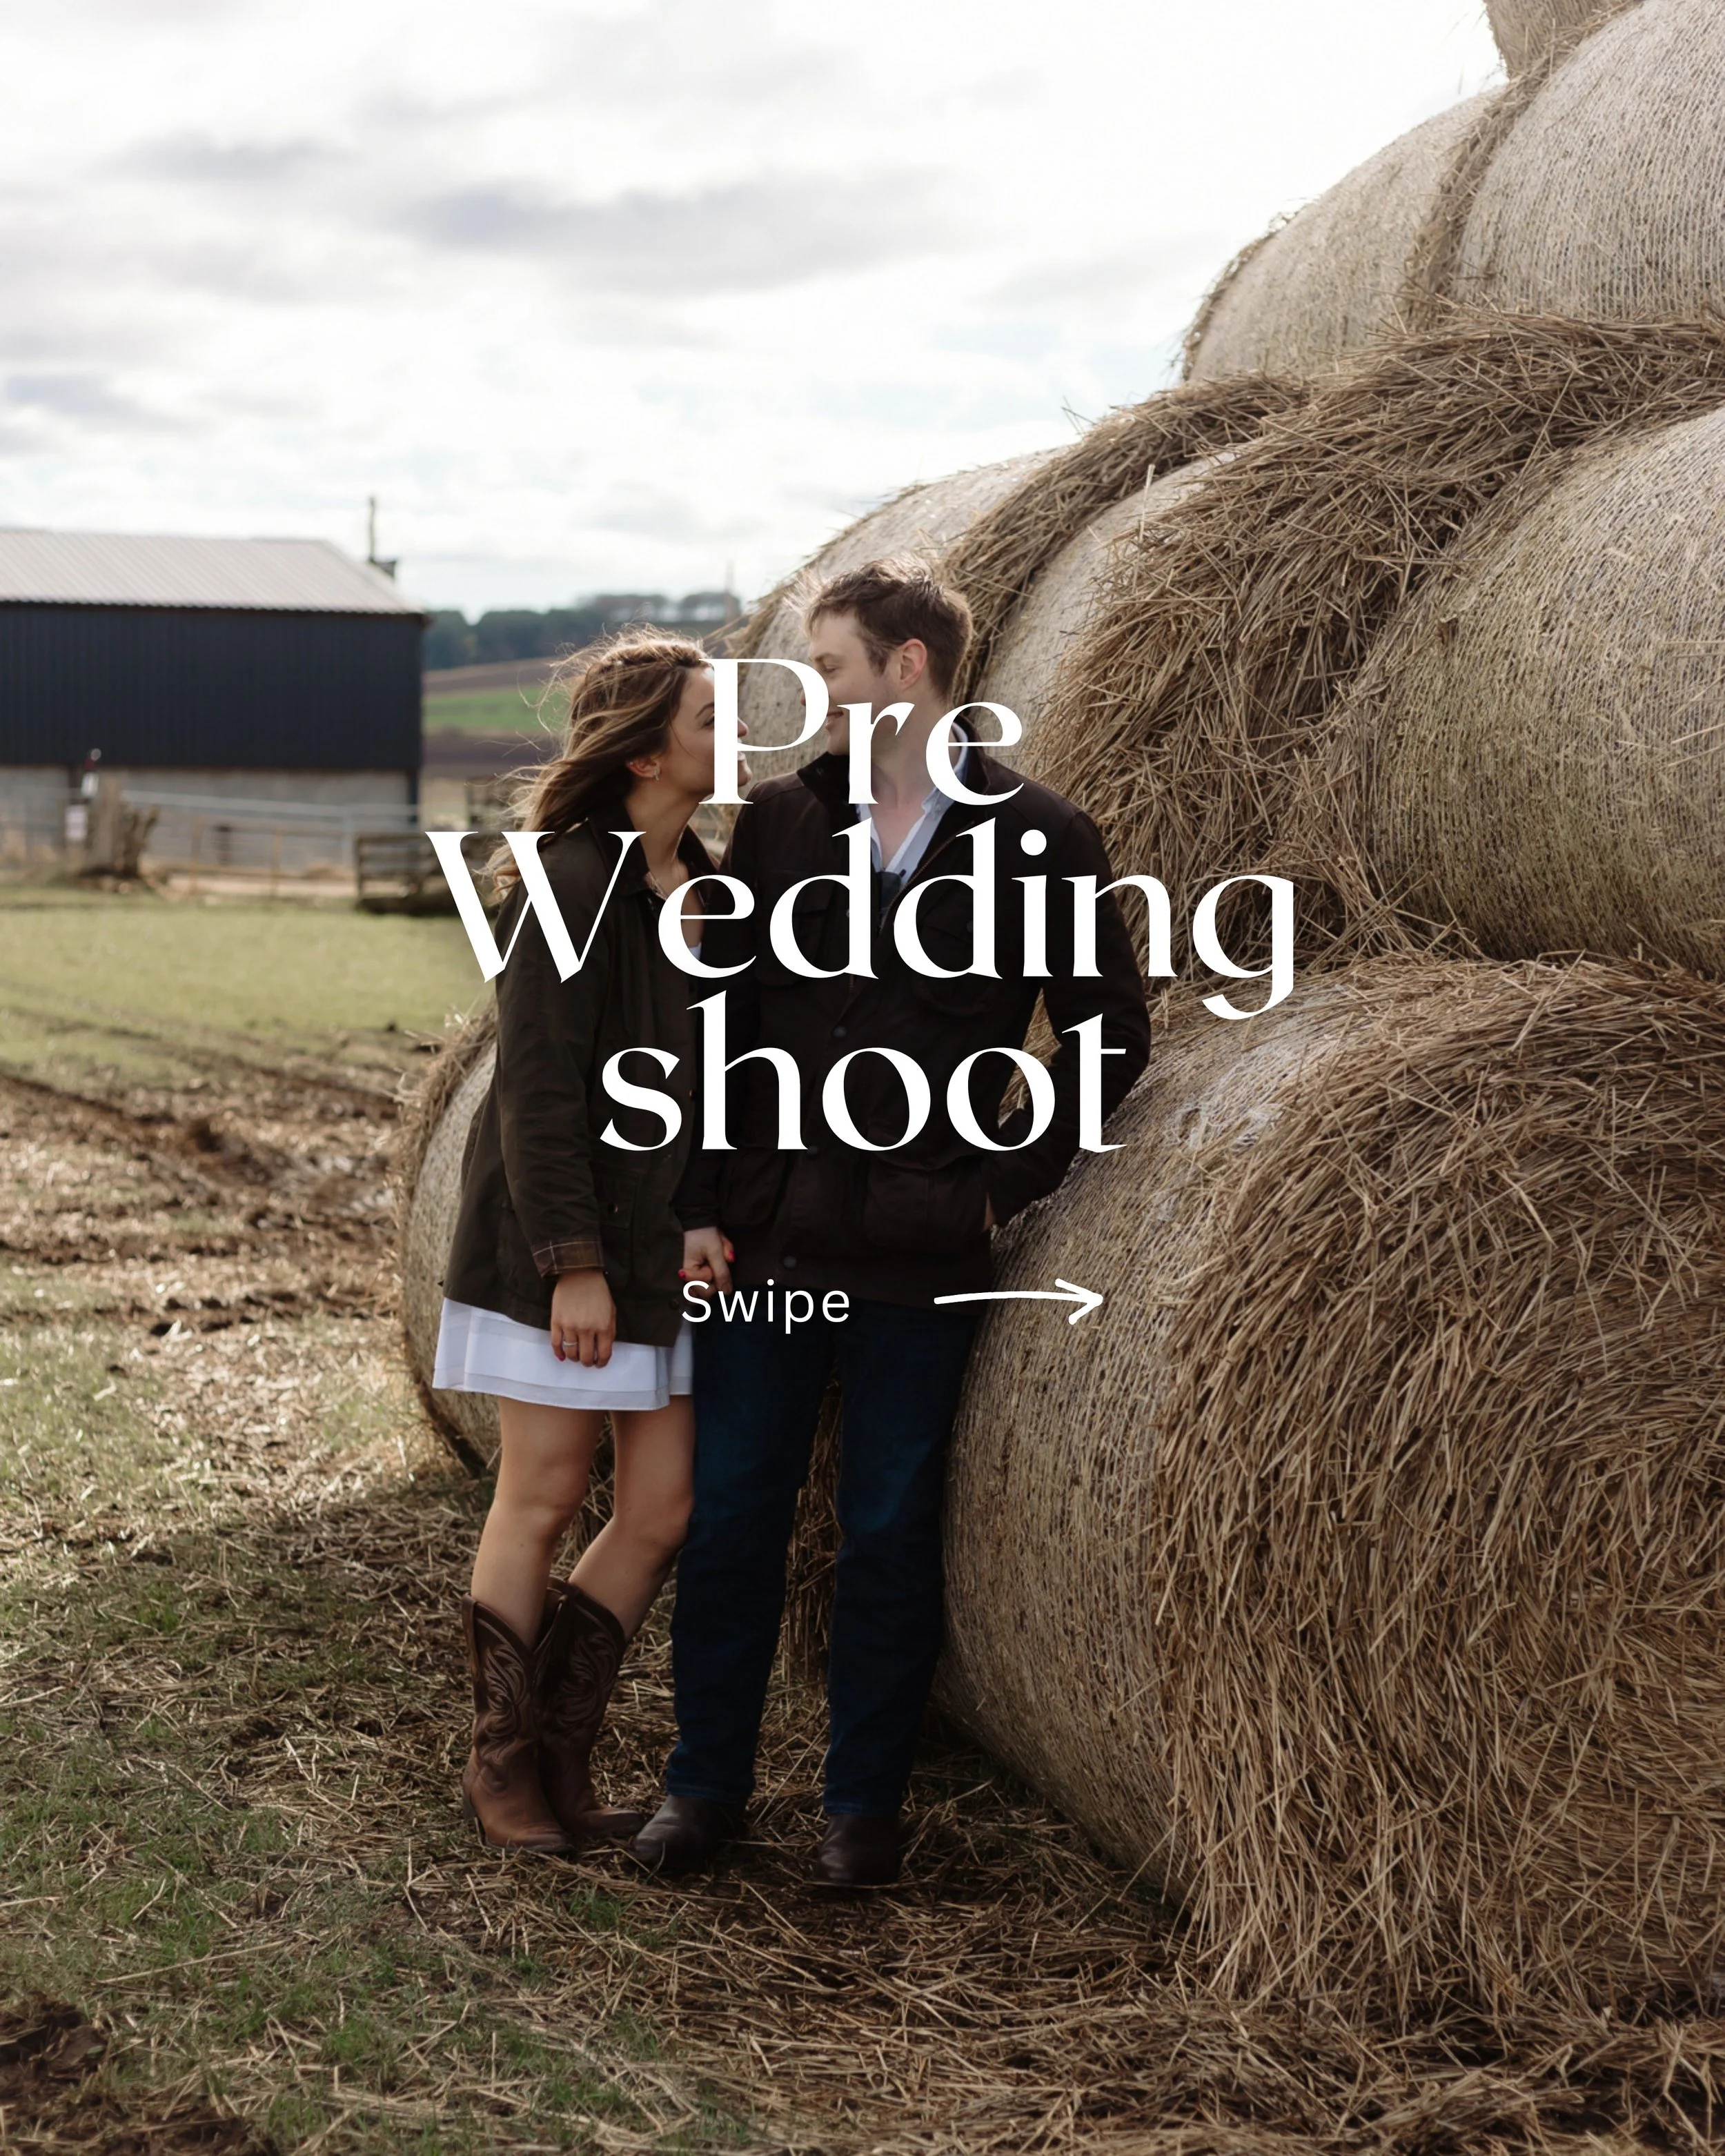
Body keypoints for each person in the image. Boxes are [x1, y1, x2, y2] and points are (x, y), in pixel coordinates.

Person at [632, 557, 1152, 1886]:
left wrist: (999, 1183)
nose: (816, 694)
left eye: (834, 668)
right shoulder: (787, 824)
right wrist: (697, 1205)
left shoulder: (1044, 838)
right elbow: (722, 1024)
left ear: (907, 669)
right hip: (768, 1246)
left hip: (926, 1258)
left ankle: (860, 1812)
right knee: (737, 1516)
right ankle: (705, 1792)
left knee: (888, 1530)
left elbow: (1108, 1038)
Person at [433, 633, 736, 1854]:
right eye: (714, 721)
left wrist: (704, 1212)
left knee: (661, 1507)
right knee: (545, 1494)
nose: (735, 744)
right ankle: (498, 1764)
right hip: (563, 1246)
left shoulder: (704, 885)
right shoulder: (571, 882)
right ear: (651, 749)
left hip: (659, 1246)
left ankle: (559, 1752)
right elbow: (540, 1093)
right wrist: (574, 1265)